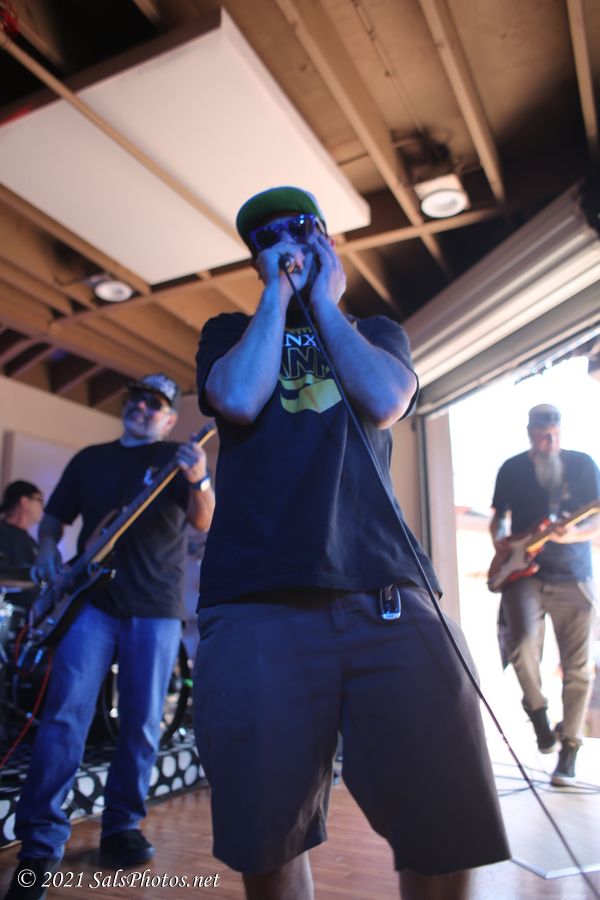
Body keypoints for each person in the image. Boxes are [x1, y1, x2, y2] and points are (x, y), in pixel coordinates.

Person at [193, 186, 510, 900]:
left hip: (387, 590)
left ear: (328, 241)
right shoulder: (228, 332)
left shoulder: (376, 331)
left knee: (445, 819)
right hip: (257, 601)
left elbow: (387, 399)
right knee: (267, 836)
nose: (286, 242)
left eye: (300, 228)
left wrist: (327, 304)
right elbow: (238, 398)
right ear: (255, 259)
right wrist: (277, 296)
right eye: (267, 237)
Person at [3, 373, 215, 900]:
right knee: (63, 716)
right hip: (92, 602)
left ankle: (122, 826)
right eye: (137, 399)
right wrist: (47, 549)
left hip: (156, 606)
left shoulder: (177, 458)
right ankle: (39, 846)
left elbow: (203, 521)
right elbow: (54, 518)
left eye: (156, 404)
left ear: (170, 418)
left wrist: (200, 479)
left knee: (141, 721)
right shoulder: (90, 459)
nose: (143, 408)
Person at [490, 403, 600, 786]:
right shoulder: (511, 468)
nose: (547, 441)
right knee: (520, 645)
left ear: (560, 431)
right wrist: (500, 542)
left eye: (552, 435)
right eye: (540, 435)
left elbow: (597, 518)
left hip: (573, 575)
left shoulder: (582, 465)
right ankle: (536, 710)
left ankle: (569, 746)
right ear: (529, 433)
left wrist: (575, 534)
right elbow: (499, 517)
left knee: (578, 666)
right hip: (524, 573)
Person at [0, 480, 44, 569]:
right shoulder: (2, 534)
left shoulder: (31, 542)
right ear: (25, 501)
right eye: (40, 500)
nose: (42, 507)